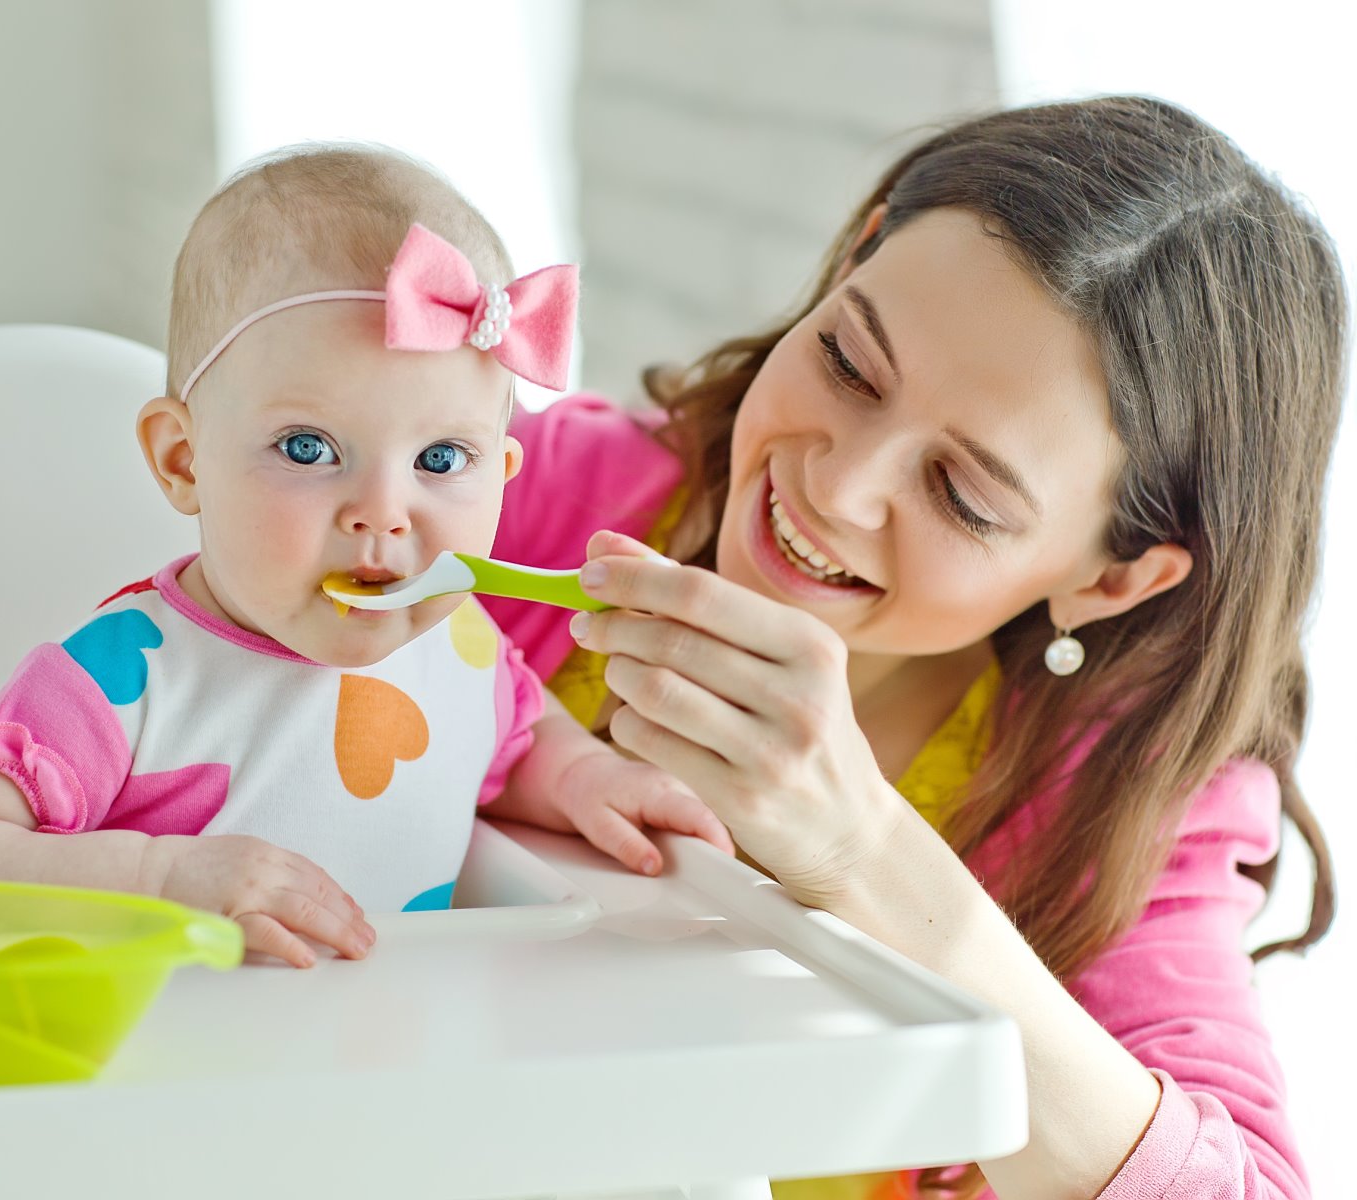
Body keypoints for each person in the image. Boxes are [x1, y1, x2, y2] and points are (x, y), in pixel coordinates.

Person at [483, 97, 1343, 1199]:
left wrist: (856, 851)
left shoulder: (1119, 806)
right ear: (855, 253)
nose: (836, 487)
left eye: (962, 495)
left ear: (1111, 578)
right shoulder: (523, 494)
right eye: (847, 363)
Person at [0, 143, 731, 968]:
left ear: (503, 478)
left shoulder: (462, 647)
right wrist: (159, 880)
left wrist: (585, 777)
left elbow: (520, 740)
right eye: (310, 449)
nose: (383, 516)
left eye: (439, 461)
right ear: (183, 459)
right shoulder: (124, 680)